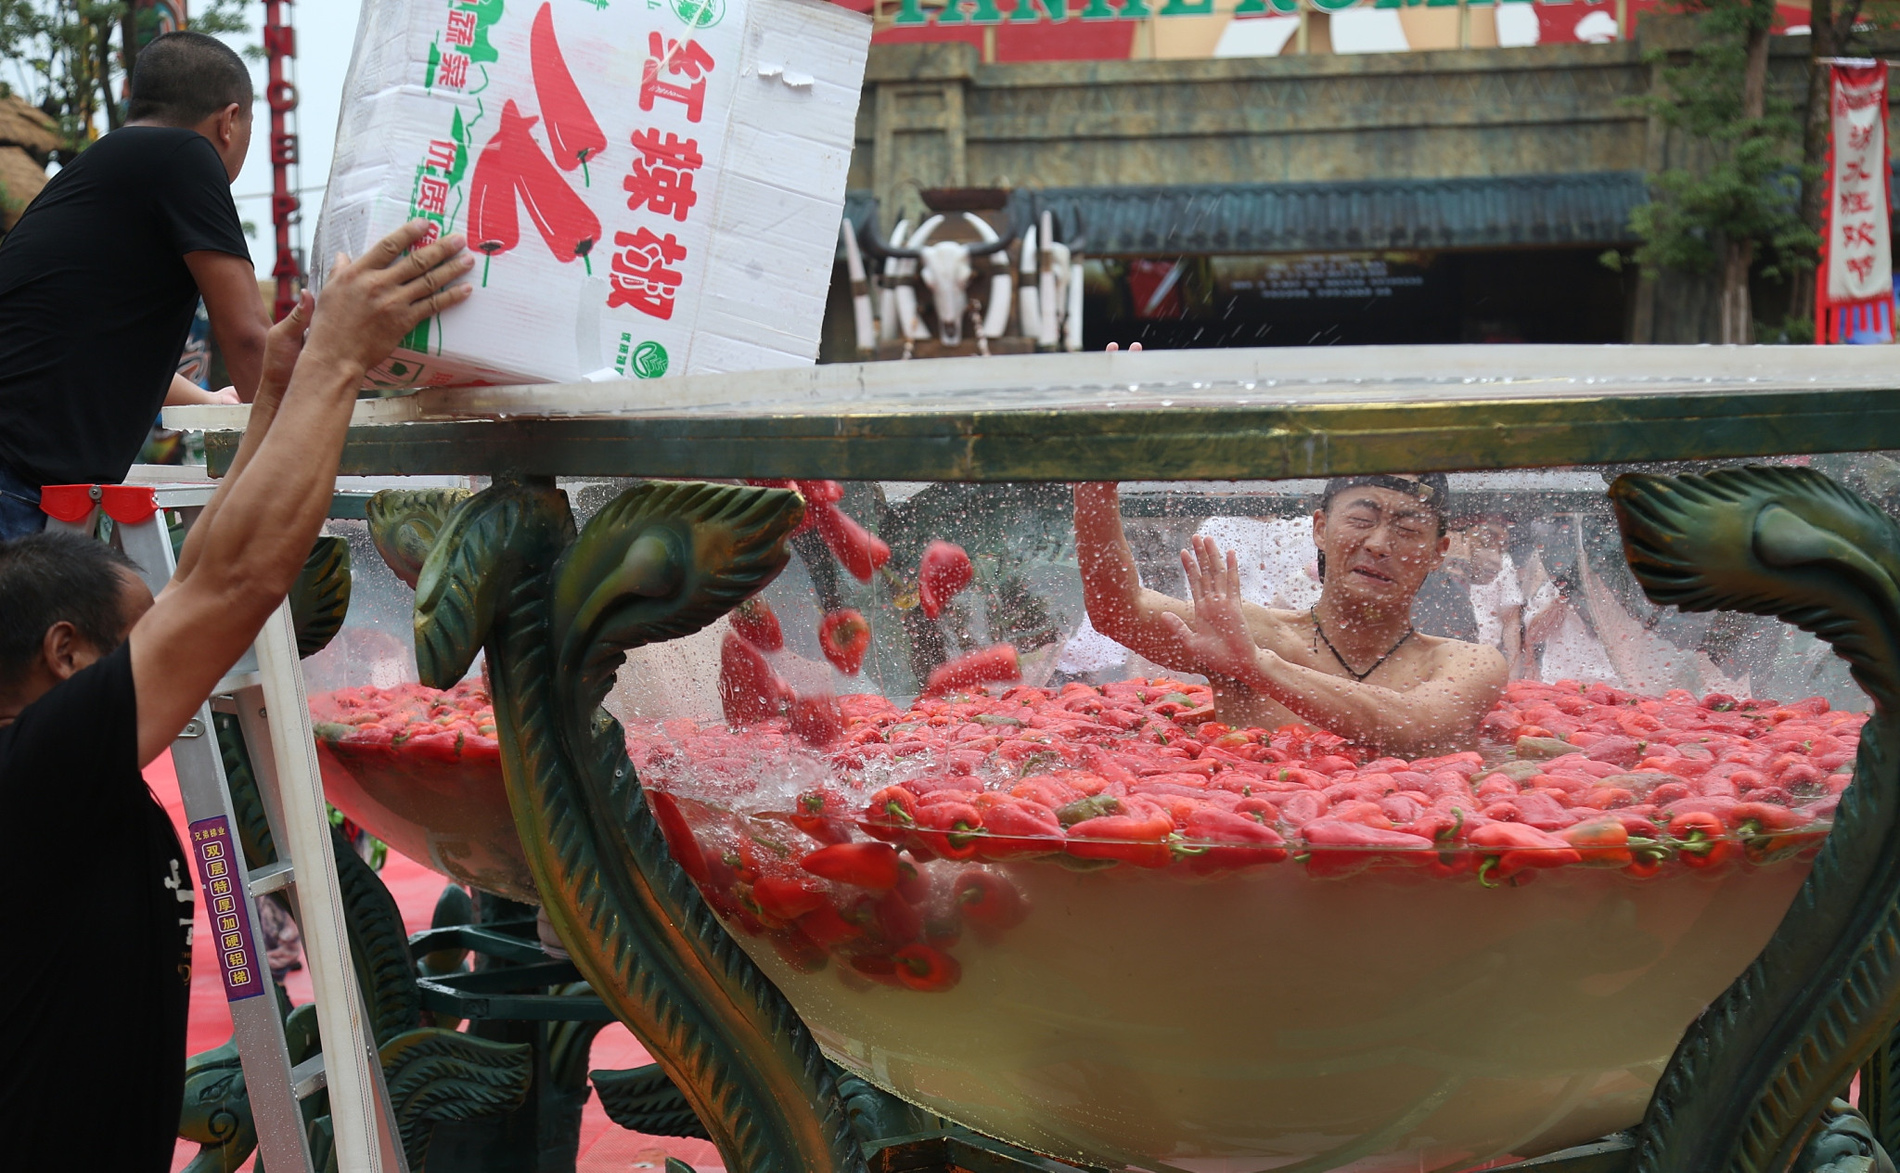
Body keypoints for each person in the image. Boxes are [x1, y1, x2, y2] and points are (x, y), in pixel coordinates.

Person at [0, 221, 473, 1170]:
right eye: (144, 644)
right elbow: (230, 589)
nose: (182, 657)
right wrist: (338, 361)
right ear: (65, 654)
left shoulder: (60, 754)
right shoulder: (37, 767)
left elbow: (199, 580)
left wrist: (277, 400)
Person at [0, 31, 272, 541]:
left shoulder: (98, 169)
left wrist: (211, 404)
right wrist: (293, 467)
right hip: (15, 481)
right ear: (230, 122)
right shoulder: (187, 155)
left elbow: (92, 339)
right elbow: (251, 335)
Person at [1075, 474, 1506, 755]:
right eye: (1361, 519)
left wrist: (1258, 669)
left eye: (1408, 531)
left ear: (1438, 552)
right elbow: (1118, 611)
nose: (1378, 543)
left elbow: (1416, 724)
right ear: (1320, 528)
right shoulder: (1254, 631)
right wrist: (1095, 485)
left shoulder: (1467, 663)